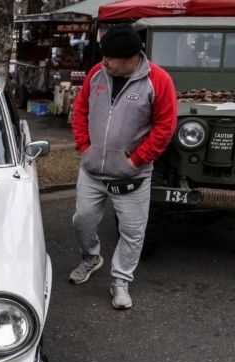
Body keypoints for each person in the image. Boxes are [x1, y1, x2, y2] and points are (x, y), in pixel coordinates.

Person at [69, 24, 177, 310]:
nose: (103, 62)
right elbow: (80, 110)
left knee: (132, 232)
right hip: (93, 171)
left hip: (133, 175)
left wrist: (136, 160)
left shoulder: (159, 80)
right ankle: (91, 258)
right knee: (82, 221)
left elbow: (165, 126)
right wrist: (84, 148)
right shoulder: (96, 74)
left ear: (131, 57)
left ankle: (120, 281)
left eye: (109, 58)